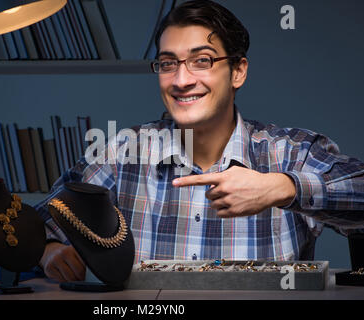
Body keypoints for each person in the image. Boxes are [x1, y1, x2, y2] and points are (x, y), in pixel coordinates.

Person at [35, 0, 364, 282]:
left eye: (202, 60)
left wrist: (283, 188)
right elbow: (39, 223)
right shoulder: (124, 153)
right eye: (168, 63)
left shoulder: (291, 153)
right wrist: (49, 251)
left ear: (238, 71)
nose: (181, 80)